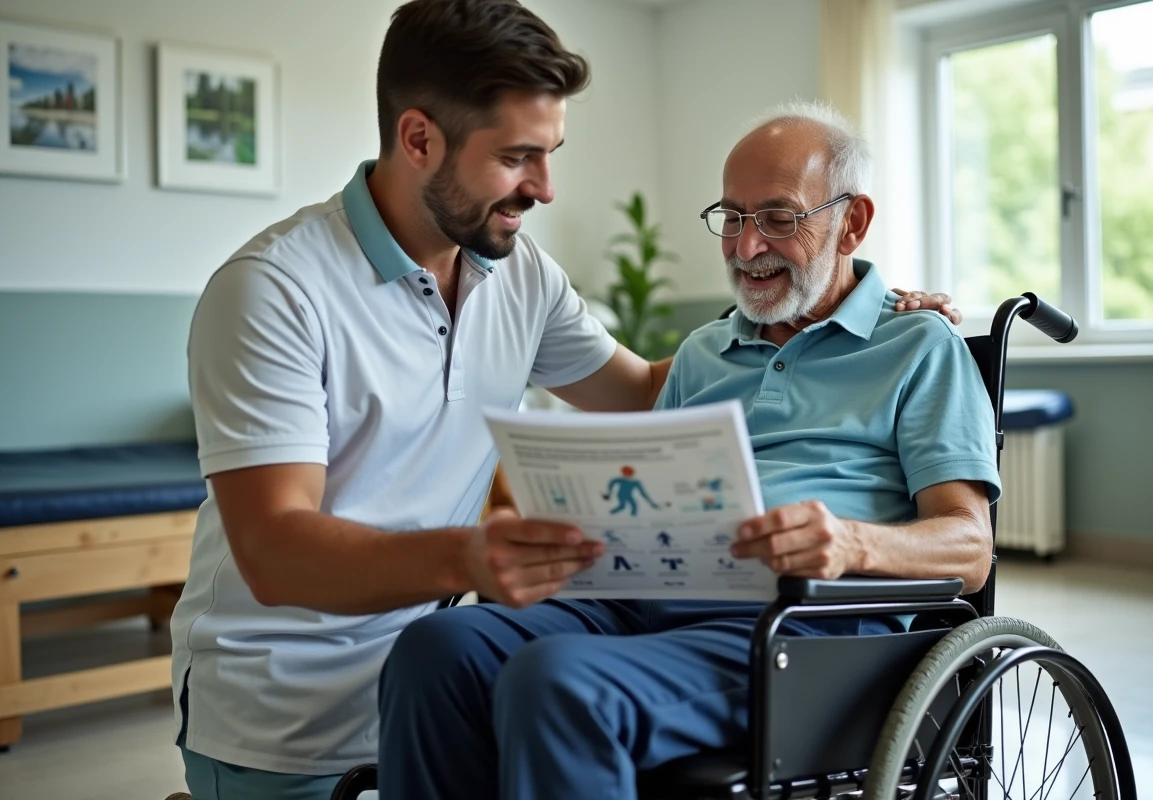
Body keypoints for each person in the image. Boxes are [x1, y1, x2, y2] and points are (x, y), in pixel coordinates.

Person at [170, 0, 955, 797]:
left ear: (850, 225)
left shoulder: (518, 273)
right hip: (286, 713)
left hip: (716, 632)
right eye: (518, 157)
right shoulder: (273, 292)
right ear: (418, 140)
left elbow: (645, 387)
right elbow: (273, 551)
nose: (546, 188)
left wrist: (860, 307)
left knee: (527, 677)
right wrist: (471, 557)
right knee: (452, 655)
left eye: (550, 153)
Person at [375, 100, 1002, 800]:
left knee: (559, 684)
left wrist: (853, 543)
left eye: (779, 217)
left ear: (851, 222)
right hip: (651, 599)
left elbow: (970, 550)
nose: (746, 246)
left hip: (803, 630)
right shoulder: (704, 353)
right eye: (732, 217)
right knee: (436, 650)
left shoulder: (919, 346)